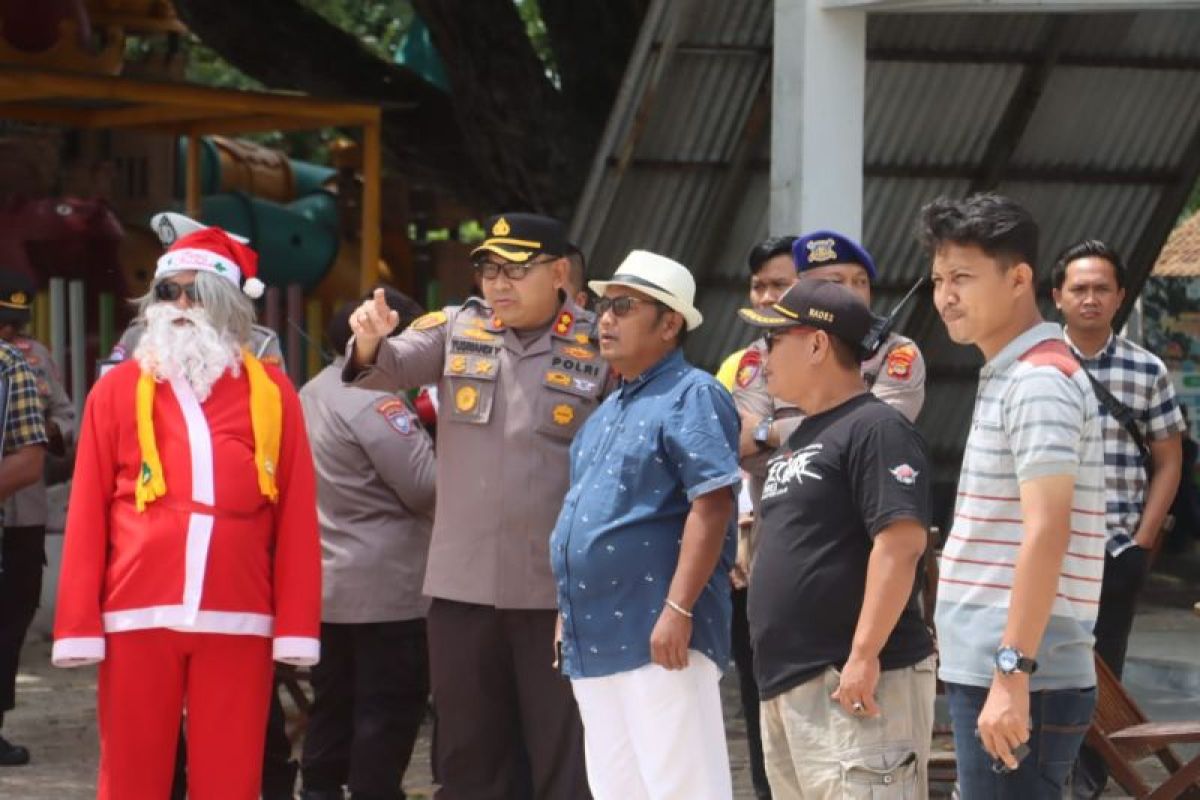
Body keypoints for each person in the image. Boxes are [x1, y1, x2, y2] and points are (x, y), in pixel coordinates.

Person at [51, 227, 321, 799]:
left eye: (194, 293)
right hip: (135, 612)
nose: (177, 306)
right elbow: (87, 513)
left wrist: (296, 626)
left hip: (238, 612)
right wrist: (78, 624)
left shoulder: (272, 394)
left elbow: (296, 519)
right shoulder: (117, 390)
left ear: (227, 305)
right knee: (130, 776)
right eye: (166, 291)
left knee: (231, 776)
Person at [345, 213, 601, 799]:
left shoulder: (600, 340)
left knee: (565, 757)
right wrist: (369, 337)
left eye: (516, 270)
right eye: (489, 270)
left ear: (561, 273)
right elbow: (384, 366)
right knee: (469, 757)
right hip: (463, 591)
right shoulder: (458, 328)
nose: (498, 284)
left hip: (558, 594)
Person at [921, 193, 1106, 798]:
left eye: (963, 277)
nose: (946, 295)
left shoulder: (1039, 381)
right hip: (1006, 665)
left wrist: (1011, 672)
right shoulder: (1011, 372)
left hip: (1027, 670)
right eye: (939, 279)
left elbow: (1047, 530)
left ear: (1019, 278)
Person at [550, 251, 739, 799]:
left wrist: (678, 609)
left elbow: (713, 503)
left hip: (660, 628)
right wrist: (566, 614)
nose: (605, 319)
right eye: (605, 306)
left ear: (670, 322)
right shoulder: (607, 409)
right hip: (594, 634)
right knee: (617, 789)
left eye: (624, 307)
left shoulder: (694, 393)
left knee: (682, 788)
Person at [740, 279, 935, 799]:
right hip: (789, 687)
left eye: (773, 339)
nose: (761, 355)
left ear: (817, 343)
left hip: (855, 683)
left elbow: (901, 543)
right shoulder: (802, 434)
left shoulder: (877, 426)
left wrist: (864, 655)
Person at [1049, 239, 1186, 798]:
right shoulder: (1033, 364)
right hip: (1047, 550)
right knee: (1040, 668)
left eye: (1101, 288)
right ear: (1057, 296)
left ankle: (1088, 783)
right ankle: (1042, 776)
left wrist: (1142, 540)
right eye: (1078, 288)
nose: (1089, 298)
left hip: (1115, 550)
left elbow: (1169, 459)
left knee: (1104, 674)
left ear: (1120, 296)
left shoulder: (1145, 369)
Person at [299, 288, 435, 800]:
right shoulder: (375, 401)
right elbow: (427, 487)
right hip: (387, 589)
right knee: (388, 708)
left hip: (328, 582)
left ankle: (318, 789)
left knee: (332, 702)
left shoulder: (310, 390)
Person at [716, 233, 798, 800]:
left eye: (781, 284)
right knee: (759, 700)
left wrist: (768, 435)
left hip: (823, 562)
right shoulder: (737, 365)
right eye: (759, 285)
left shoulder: (854, 357)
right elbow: (731, 450)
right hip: (752, 561)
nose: (767, 296)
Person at [105, 211, 283, 368]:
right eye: (168, 291)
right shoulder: (136, 338)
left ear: (223, 299)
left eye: (196, 293)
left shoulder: (259, 345)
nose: (181, 303)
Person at [0, 277, 48, 767]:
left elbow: (32, 457)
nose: (10, 331)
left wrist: (55, 430)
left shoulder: (17, 365)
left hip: (21, 516)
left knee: (10, 623)